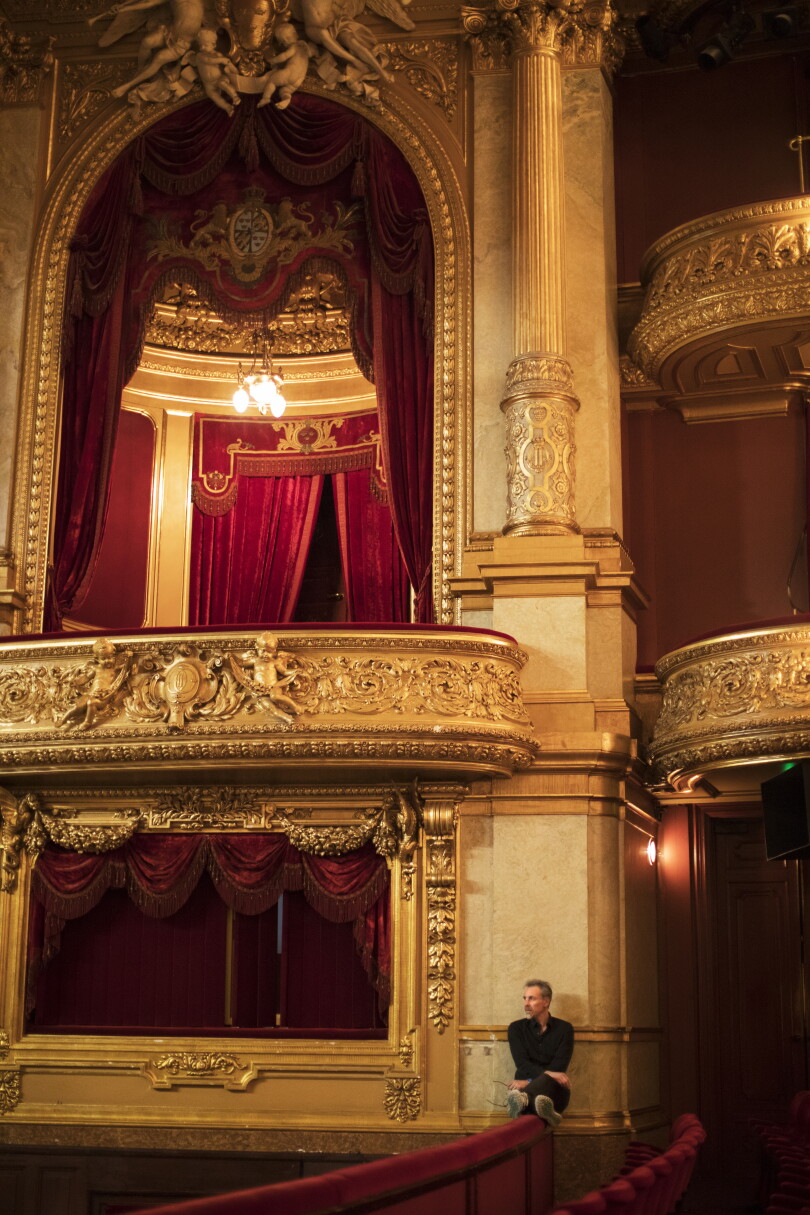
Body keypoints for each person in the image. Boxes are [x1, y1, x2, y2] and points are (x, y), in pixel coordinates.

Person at [505, 979, 573, 1127]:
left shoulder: (565, 1029)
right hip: (528, 1087)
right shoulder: (516, 1028)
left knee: (551, 1083)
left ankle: (523, 1100)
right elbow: (522, 1064)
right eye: (525, 998)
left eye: (531, 998)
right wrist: (547, 1075)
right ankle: (550, 1114)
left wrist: (529, 1082)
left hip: (553, 1090)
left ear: (546, 1002)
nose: (526, 1003)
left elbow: (559, 1068)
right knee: (541, 1096)